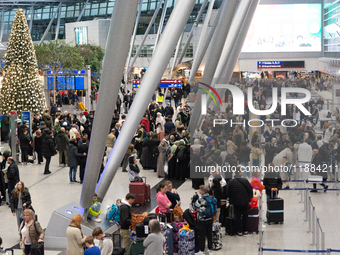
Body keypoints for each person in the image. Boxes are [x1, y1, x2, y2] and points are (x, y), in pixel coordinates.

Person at [226, 166, 253, 236]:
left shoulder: (231, 182)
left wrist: (231, 200)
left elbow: (228, 192)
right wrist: (249, 198)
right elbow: (250, 190)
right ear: (240, 172)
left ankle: (239, 231)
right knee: (245, 216)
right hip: (244, 201)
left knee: (237, 216)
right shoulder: (245, 180)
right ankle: (245, 230)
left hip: (236, 202)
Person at [192, 185, 216, 255]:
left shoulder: (201, 199)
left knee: (202, 235)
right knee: (209, 234)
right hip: (210, 219)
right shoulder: (212, 198)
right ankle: (210, 249)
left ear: (202, 191)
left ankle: (202, 250)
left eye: (200, 189)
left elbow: (194, 207)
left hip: (202, 220)